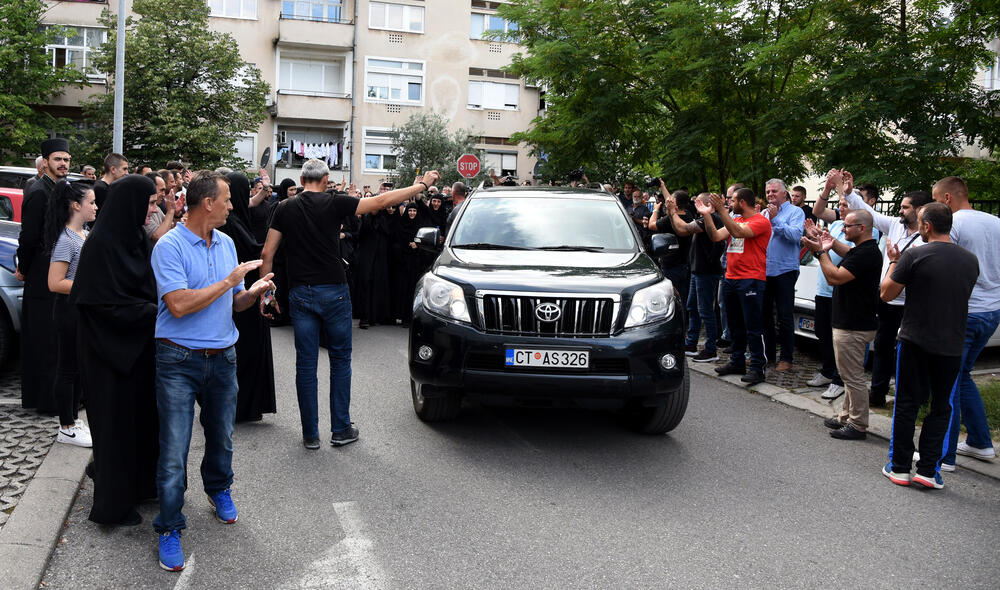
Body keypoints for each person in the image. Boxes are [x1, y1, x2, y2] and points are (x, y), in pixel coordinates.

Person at [261, 159, 440, 449]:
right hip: (334, 291)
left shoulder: (284, 208)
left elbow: (267, 254)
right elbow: (381, 201)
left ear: (302, 180)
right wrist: (421, 185)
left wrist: (266, 294)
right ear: (325, 179)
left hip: (301, 292)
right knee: (340, 360)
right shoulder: (336, 202)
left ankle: (310, 434)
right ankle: (340, 429)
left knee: (305, 364)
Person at [151, 170, 275, 571]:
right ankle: (170, 526)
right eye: (226, 199)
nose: (232, 205)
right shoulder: (169, 246)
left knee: (222, 436)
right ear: (207, 203)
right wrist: (230, 281)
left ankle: (218, 488)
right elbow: (179, 305)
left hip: (223, 356)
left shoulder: (226, 242)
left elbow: (234, 302)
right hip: (178, 359)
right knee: (175, 450)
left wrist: (251, 292)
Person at [70, 174, 161, 526]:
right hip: (106, 353)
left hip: (137, 350)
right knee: (114, 427)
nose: (152, 210)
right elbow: (99, 305)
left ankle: (141, 485)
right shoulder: (101, 245)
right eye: (149, 203)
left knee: (141, 421)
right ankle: (113, 504)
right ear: (130, 204)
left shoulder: (135, 238)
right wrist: (150, 311)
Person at [880, 202, 978, 489]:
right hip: (952, 343)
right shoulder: (970, 260)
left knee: (907, 403)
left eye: (920, 222)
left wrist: (894, 261)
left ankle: (899, 467)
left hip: (915, 340)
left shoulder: (914, 255)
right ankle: (928, 470)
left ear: (927, 226)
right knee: (941, 406)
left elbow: (886, 294)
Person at [837, 170, 932, 407]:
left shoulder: (929, 236)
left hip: (912, 302)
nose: (900, 211)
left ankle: (913, 397)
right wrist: (849, 193)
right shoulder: (896, 225)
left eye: (905, 207)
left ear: (920, 210)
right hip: (888, 299)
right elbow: (869, 214)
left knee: (911, 351)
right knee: (881, 347)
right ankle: (878, 394)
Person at [933, 176, 1000, 466]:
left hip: (965, 312)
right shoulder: (995, 222)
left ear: (947, 198)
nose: (936, 205)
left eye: (937, 200)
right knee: (962, 376)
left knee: (948, 379)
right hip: (992, 311)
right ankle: (980, 442)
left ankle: (944, 455)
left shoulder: (954, 224)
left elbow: (945, 265)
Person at [803, 210, 881, 440]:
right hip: (852, 322)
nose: (842, 229)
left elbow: (834, 277)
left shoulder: (866, 253)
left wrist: (820, 252)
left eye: (847, 226)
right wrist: (826, 240)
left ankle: (858, 424)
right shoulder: (863, 250)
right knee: (849, 376)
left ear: (862, 228)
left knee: (853, 378)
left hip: (853, 325)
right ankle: (846, 417)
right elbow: (847, 252)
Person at [17, 138, 71, 415]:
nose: (63, 164)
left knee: (56, 339)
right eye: (58, 159)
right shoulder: (39, 191)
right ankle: (45, 400)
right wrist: (24, 268)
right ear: (46, 162)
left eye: (66, 159)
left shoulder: (62, 188)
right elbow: (28, 237)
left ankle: (57, 398)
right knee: (43, 339)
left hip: (57, 271)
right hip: (41, 274)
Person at [219, 172, 277, 423]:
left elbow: (252, 203)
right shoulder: (231, 223)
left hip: (247, 292)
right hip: (244, 296)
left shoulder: (235, 219)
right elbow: (253, 251)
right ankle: (241, 406)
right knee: (247, 353)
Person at [701, 188, 771, 385]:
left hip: (751, 279)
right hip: (731, 278)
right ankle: (737, 361)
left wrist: (721, 211)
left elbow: (738, 232)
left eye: (732, 201)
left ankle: (757, 367)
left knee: (753, 326)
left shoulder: (760, 221)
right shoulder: (736, 220)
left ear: (742, 202)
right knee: (735, 325)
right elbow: (716, 236)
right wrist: (707, 215)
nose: (729, 204)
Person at [45, 181, 97, 447]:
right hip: (68, 311)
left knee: (77, 368)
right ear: (76, 205)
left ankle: (74, 419)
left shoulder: (84, 234)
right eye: (91, 202)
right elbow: (55, 283)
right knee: (67, 369)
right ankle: (66, 426)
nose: (96, 207)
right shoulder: (66, 240)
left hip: (80, 309)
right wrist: (90, 286)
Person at [662, 191, 726, 363]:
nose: (695, 204)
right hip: (697, 271)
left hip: (707, 272)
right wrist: (671, 213)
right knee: (692, 307)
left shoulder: (709, 220)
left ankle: (711, 349)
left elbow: (683, 229)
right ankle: (691, 343)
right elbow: (680, 228)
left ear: (707, 204)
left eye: (698, 202)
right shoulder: (703, 219)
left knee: (705, 310)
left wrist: (672, 212)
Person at [801, 201, 851, 400]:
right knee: (822, 333)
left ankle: (839, 380)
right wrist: (815, 241)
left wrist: (826, 242)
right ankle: (827, 371)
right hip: (823, 289)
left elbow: (850, 254)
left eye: (846, 204)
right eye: (840, 205)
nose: (841, 208)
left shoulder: (865, 229)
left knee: (839, 339)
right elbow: (821, 254)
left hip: (840, 292)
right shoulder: (837, 224)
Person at [760, 179, 804, 372]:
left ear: (784, 194)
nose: (770, 194)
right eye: (768, 192)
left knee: (785, 316)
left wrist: (776, 219)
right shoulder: (763, 213)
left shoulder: (796, 212)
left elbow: (795, 236)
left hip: (785, 270)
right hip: (764, 270)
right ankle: (768, 355)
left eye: (774, 191)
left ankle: (786, 358)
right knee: (765, 316)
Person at [144, 172, 184, 242]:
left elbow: (172, 229)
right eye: (161, 190)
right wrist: (171, 211)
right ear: (151, 189)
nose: (164, 194)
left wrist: (177, 215)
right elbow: (159, 236)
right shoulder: (143, 210)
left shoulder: (157, 208)